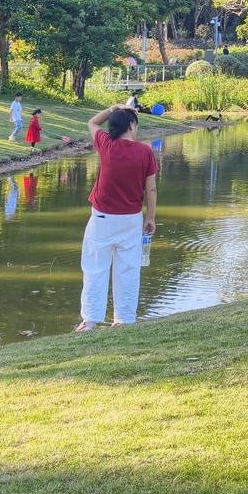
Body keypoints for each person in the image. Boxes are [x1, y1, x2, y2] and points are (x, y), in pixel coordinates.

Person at [76, 105, 160, 330]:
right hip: (131, 219)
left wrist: (114, 107)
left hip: (102, 218)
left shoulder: (106, 144)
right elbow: (151, 189)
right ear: (131, 125)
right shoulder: (145, 151)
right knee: (128, 270)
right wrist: (150, 217)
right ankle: (124, 320)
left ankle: (90, 320)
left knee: (95, 268)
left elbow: (92, 122)